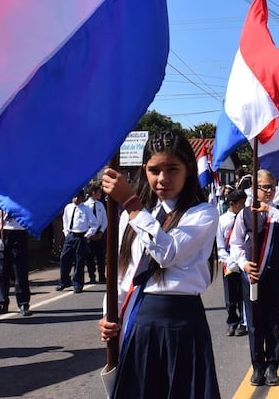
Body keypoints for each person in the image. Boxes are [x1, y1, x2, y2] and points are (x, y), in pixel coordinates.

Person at [98, 130, 220, 398]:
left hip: (183, 322)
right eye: (154, 170)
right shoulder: (132, 217)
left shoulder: (203, 213)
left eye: (172, 169)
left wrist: (131, 204)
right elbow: (122, 274)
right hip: (141, 320)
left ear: (187, 170)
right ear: (145, 170)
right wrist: (110, 314)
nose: (163, 178)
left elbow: (167, 253)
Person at [230, 169, 279, 387]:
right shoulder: (244, 214)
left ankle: (272, 365)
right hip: (252, 276)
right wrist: (243, 264)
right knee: (254, 323)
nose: (269, 190)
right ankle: (257, 365)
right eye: (264, 187)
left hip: (274, 273)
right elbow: (236, 243)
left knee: (272, 321)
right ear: (254, 189)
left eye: (272, 186)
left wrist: (270, 210)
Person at [217, 188, 247, 337]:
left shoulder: (246, 217)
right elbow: (219, 245)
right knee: (230, 296)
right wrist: (228, 261)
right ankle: (232, 322)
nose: (245, 206)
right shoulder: (222, 220)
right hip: (228, 262)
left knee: (243, 293)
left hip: (243, 260)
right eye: (242, 203)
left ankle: (243, 321)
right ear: (232, 204)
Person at [0, 208, 32, 314]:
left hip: (19, 233)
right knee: (2, 271)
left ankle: (23, 303)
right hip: (3, 233)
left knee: (20, 270)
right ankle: (2, 302)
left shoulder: (20, 199)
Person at [57, 190, 97, 293]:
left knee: (79, 261)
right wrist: (66, 233)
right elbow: (65, 221)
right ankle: (64, 281)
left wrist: (87, 235)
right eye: (74, 197)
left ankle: (78, 284)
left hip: (81, 236)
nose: (76, 199)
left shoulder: (86, 209)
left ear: (82, 198)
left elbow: (94, 224)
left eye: (78, 197)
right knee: (64, 258)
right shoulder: (68, 207)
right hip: (70, 235)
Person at [84, 183, 108, 284]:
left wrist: (101, 232)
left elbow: (104, 220)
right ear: (93, 193)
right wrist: (90, 234)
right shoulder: (85, 206)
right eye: (99, 192)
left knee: (100, 257)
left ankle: (102, 276)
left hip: (99, 233)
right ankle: (92, 276)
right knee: (89, 257)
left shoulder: (100, 205)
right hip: (89, 234)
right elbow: (84, 222)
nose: (100, 194)